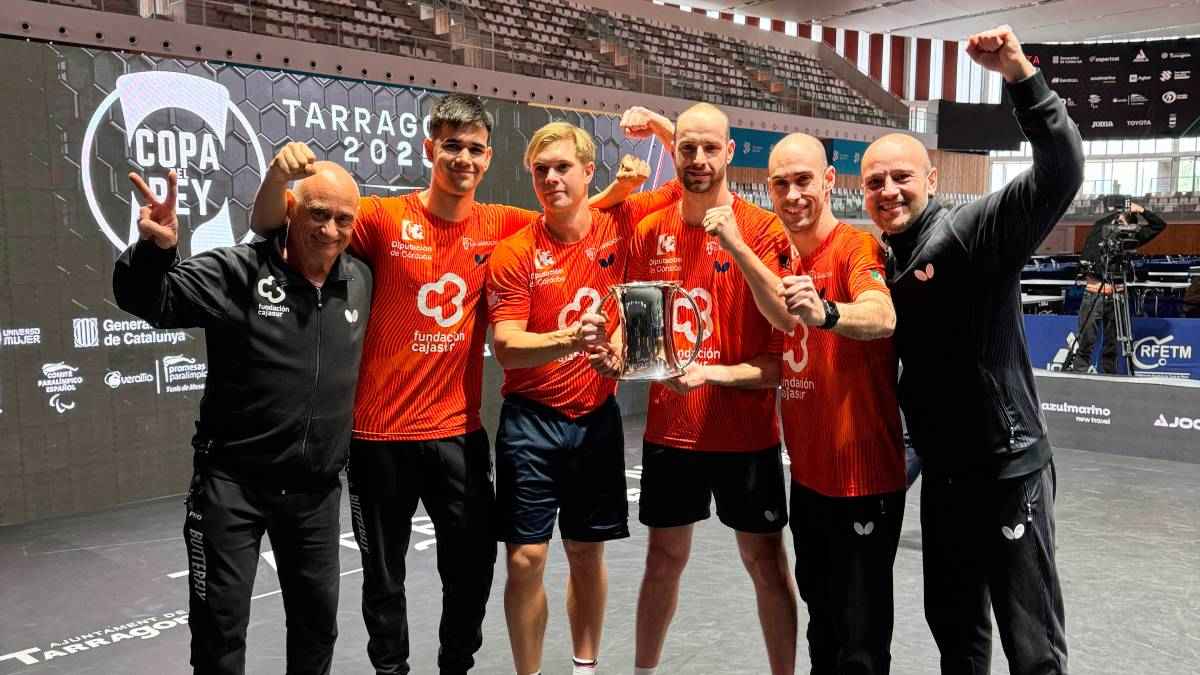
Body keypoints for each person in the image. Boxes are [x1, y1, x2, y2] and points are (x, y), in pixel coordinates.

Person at [249, 93, 656, 675]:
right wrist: (275, 178)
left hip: (457, 435)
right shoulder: (382, 218)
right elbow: (273, 225)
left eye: (473, 149)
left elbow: (566, 214)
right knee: (384, 578)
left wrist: (615, 194)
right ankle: (391, 670)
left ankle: (455, 669)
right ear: (429, 149)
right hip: (378, 436)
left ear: (487, 159)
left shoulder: (505, 226)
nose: (462, 158)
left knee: (469, 574)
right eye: (451, 147)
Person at [861, 26, 1082, 674]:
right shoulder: (877, 262)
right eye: (874, 182)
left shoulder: (974, 229)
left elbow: (1061, 171)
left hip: (1008, 471)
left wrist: (1020, 75)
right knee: (957, 641)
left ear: (930, 175)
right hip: (947, 482)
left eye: (900, 176)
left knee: (1033, 650)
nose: (888, 191)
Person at [114, 165, 371, 675]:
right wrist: (156, 251)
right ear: (291, 212)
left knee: (317, 628)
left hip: (316, 495)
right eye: (319, 214)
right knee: (219, 632)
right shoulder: (238, 272)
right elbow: (151, 299)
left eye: (344, 219)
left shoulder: (360, 278)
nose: (331, 230)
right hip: (233, 489)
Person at [584, 103, 797, 675]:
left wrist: (714, 375)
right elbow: (590, 212)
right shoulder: (652, 220)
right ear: (673, 154)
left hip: (747, 434)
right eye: (686, 149)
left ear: (731, 153)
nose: (698, 160)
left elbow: (777, 361)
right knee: (663, 560)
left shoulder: (762, 229)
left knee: (768, 564)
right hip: (671, 434)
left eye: (710, 149)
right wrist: (616, 356)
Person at [486, 118, 680, 675]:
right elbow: (508, 346)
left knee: (586, 553)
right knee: (525, 559)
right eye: (540, 170)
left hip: (596, 418)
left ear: (589, 171)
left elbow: (686, 179)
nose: (551, 179)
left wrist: (663, 131)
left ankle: (584, 668)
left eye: (563, 167)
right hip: (530, 421)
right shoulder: (515, 251)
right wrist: (573, 340)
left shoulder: (621, 222)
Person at [711, 131, 905, 673]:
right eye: (781, 183)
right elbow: (778, 349)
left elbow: (881, 314)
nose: (793, 194)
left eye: (804, 181)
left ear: (829, 181)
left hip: (862, 481)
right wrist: (707, 372)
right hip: (811, 481)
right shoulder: (783, 260)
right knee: (822, 627)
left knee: (860, 643)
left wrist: (830, 314)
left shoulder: (855, 246)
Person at [1065, 202, 1167, 374]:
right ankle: (1079, 375)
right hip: (1093, 293)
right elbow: (1103, 223)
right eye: (1117, 223)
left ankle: (1109, 377)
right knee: (1086, 341)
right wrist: (1121, 212)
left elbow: (1159, 225)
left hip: (1117, 296)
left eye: (1124, 225)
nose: (1120, 228)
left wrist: (1141, 210)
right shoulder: (1100, 231)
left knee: (1111, 345)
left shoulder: (1130, 239)